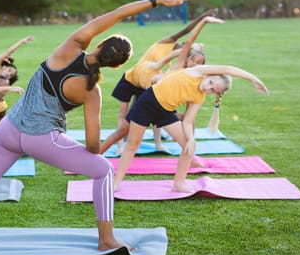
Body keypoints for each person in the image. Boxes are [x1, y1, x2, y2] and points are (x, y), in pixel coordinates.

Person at [0, 0, 196, 251]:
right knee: (102, 170)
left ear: (100, 44)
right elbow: (93, 146)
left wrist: (156, 0)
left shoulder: (73, 45)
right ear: (114, 67)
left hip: (7, 129)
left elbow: (117, 14)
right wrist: (83, 145)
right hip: (42, 139)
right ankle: (106, 239)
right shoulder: (92, 92)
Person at [113, 64, 269, 193]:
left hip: (165, 112)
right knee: (133, 144)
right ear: (208, 75)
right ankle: (116, 182)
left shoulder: (199, 97)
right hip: (147, 102)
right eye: (210, 83)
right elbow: (228, 69)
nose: (208, 88)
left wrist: (191, 139)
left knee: (189, 147)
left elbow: (187, 121)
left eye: (212, 90)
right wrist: (253, 78)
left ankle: (178, 184)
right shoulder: (196, 72)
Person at [100, 10, 217, 156]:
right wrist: (202, 18)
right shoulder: (166, 42)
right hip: (131, 79)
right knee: (124, 115)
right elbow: (187, 31)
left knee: (153, 109)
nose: (182, 45)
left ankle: (158, 144)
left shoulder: (171, 67)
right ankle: (120, 146)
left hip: (147, 84)